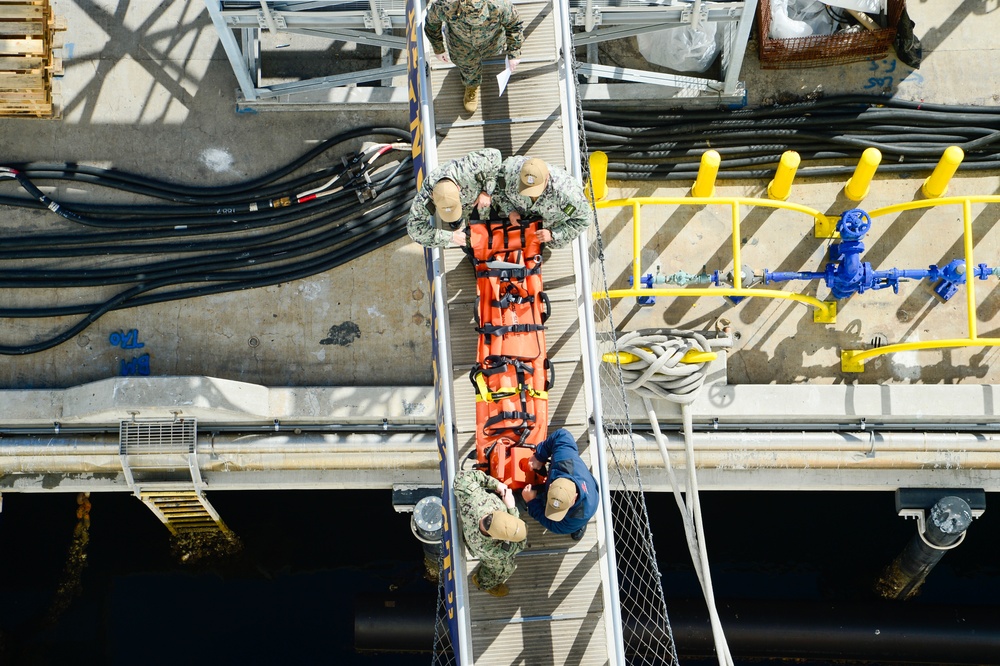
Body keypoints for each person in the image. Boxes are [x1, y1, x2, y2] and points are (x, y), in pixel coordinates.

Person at [425, 0, 523, 113]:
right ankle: (472, 85)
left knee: (494, 52)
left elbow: (515, 25)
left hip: (492, 41)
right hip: (461, 44)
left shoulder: (500, 5)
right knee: (468, 69)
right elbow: (431, 23)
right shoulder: (447, 5)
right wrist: (438, 48)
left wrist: (514, 53)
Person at [406, 148, 501, 248]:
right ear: (433, 197)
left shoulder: (467, 169)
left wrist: (486, 191)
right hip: (465, 203)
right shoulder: (425, 196)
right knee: (473, 244)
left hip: (475, 196)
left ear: (458, 188)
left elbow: (495, 155)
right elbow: (413, 229)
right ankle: (456, 218)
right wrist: (450, 237)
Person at [453, 469, 527, 597]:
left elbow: (462, 477)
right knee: (504, 569)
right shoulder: (492, 550)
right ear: (494, 537)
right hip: (482, 551)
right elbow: (520, 544)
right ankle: (483, 582)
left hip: (470, 528)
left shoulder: (475, 498)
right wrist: (511, 508)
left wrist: (496, 485)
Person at [493, 156, 592, 250]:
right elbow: (496, 190)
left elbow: (584, 219)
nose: (532, 195)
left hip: (549, 222)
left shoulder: (567, 195)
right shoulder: (509, 170)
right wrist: (510, 211)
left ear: (547, 177)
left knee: (555, 243)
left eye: (535, 190)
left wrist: (553, 234)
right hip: (521, 213)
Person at [521, 428, 599, 540]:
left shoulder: (578, 516)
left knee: (575, 524)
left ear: (575, 498)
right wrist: (539, 456)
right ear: (551, 485)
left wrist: (532, 503)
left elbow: (554, 525)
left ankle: (579, 526)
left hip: (586, 503)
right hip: (577, 475)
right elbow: (562, 434)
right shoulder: (565, 459)